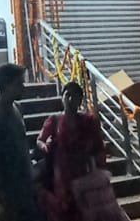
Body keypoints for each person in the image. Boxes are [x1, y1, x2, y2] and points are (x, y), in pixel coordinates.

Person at [37, 81, 106, 221]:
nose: (70, 99)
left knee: (84, 211)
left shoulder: (89, 121)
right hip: (62, 176)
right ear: (62, 97)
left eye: (74, 96)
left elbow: (99, 147)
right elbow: (40, 140)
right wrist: (45, 145)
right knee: (64, 210)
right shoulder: (54, 120)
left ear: (80, 100)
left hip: (83, 173)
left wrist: (100, 170)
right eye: (67, 95)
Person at [0, 63, 41, 221]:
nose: (23, 87)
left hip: (25, 185)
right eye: (19, 83)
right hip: (8, 191)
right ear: (6, 85)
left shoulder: (17, 108)